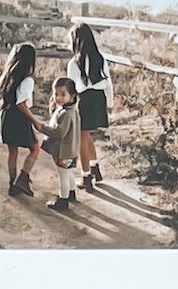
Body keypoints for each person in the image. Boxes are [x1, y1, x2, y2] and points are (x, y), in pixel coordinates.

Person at [66, 23, 113, 190]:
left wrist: (66, 107)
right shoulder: (100, 58)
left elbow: (71, 89)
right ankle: (95, 168)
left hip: (84, 100)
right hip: (99, 99)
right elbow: (109, 83)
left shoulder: (74, 63)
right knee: (86, 136)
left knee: (81, 139)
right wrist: (110, 103)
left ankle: (86, 177)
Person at [0, 41, 40, 197]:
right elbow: (21, 104)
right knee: (35, 148)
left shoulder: (5, 78)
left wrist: (0, 116)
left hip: (6, 115)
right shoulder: (27, 81)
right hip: (20, 118)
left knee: (13, 152)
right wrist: (35, 121)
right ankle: (23, 178)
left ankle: (12, 184)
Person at [42, 74, 81, 211]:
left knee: (63, 175)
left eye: (63, 94)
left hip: (64, 152)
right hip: (71, 150)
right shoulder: (72, 110)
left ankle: (63, 201)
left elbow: (59, 133)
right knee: (68, 172)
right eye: (56, 94)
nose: (58, 98)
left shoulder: (66, 113)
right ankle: (71, 193)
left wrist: (43, 128)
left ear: (72, 95)